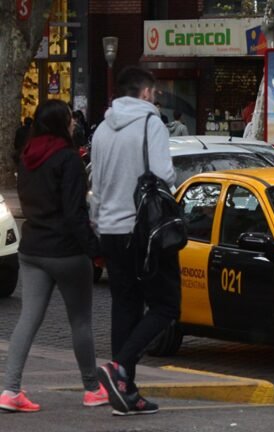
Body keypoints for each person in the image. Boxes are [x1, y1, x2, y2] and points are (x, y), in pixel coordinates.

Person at [0, 100, 107, 413]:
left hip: (33, 247)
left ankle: (10, 389)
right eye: (70, 119)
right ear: (61, 124)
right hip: (66, 251)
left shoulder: (26, 157)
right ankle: (92, 388)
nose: (74, 123)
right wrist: (95, 251)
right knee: (81, 321)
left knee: (28, 319)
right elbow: (75, 213)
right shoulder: (68, 159)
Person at [90, 66, 178, 416]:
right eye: (153, 94)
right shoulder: (150, 123)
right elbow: (163, 173)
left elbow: (96, 184)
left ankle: (124, 392)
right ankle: (120, 368)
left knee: (124, 306)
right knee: (166, 305)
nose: (155, 100)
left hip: (110, 229)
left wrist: (98, 225)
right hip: (143, 231)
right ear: (144, 93)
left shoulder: (101, 129)